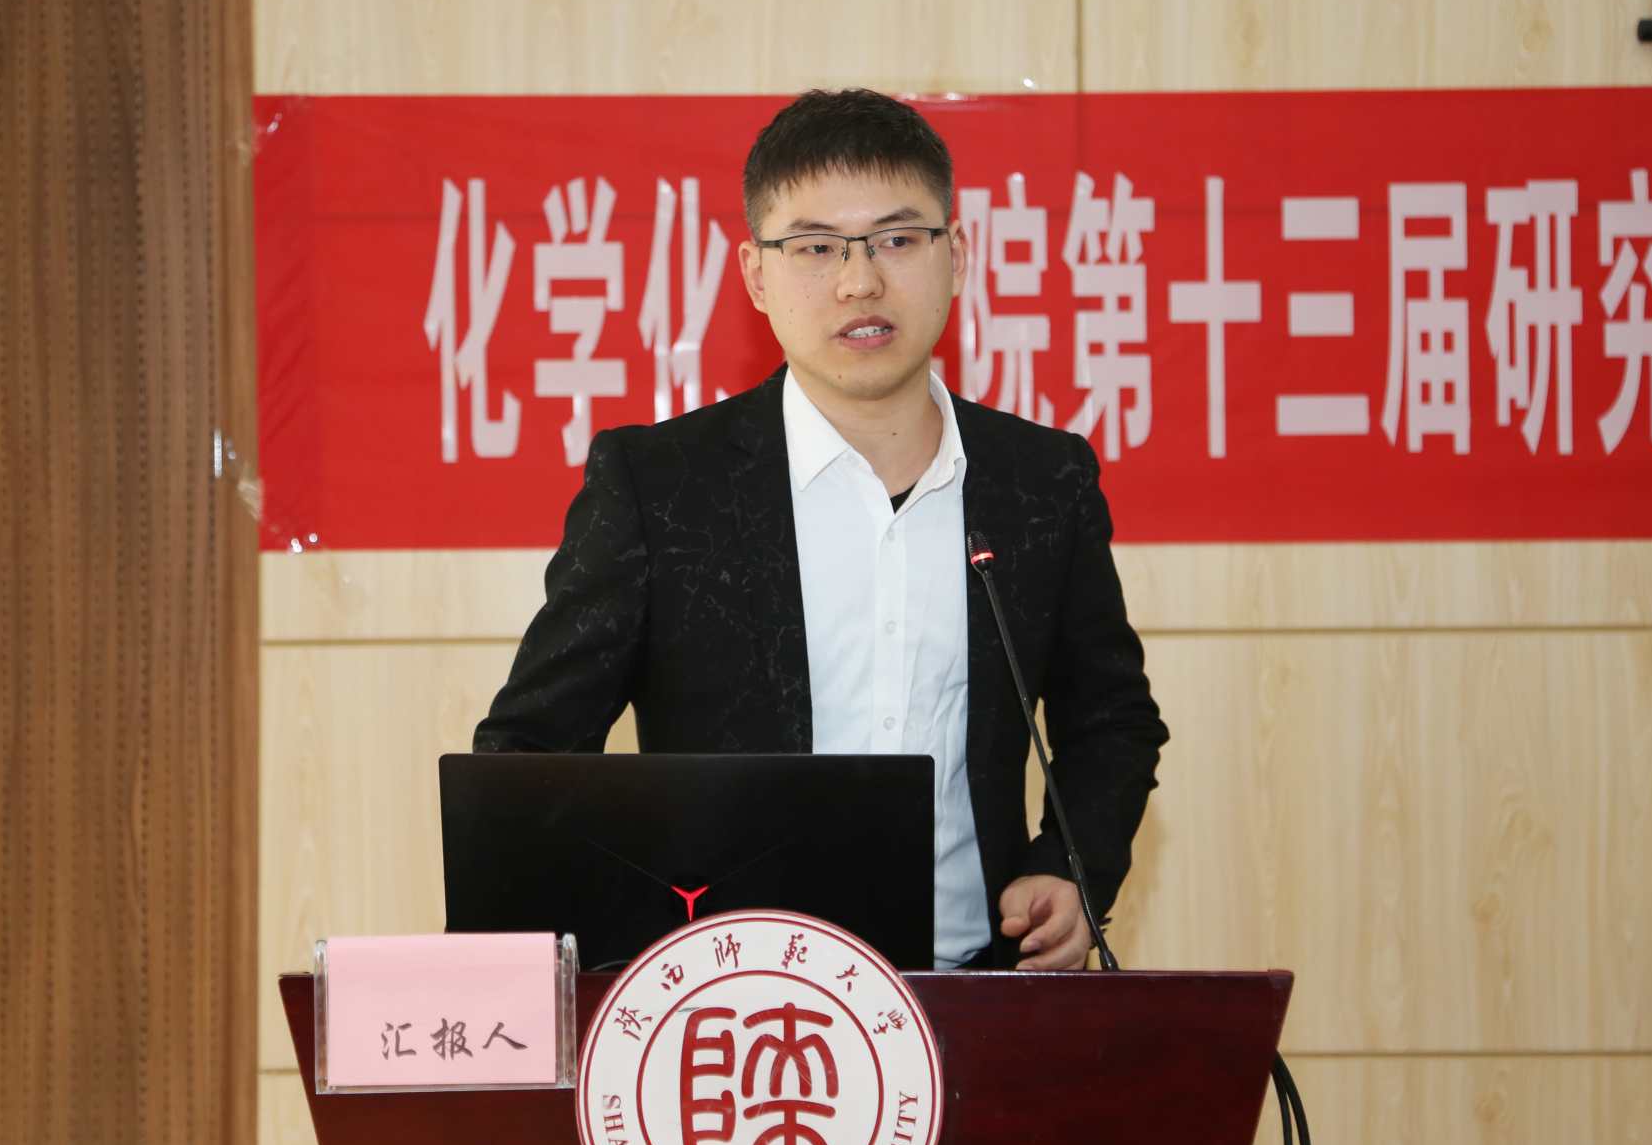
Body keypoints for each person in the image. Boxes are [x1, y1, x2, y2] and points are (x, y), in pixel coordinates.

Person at [474, 88, 1167, 971]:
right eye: (814, 247)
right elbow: (528, 756)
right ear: (756, 275)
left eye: (897, 239)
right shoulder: (661, 486)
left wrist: (1070, 868)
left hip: (972, 998)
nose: (859, 281)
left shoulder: (1040, 482)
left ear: (957, 255)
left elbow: (1111, 718)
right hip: (725, 1004)